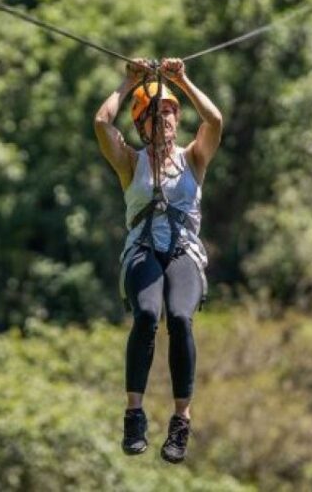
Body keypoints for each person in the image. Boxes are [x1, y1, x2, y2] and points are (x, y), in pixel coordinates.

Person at [93, 57, 223, 463]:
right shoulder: (130, 162)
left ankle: (181, 421)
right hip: (143, 252)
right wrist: (129, 82)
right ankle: (134, 413)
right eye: (154, 115)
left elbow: (214, 120)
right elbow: (101, 123)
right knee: (148, 314)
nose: (164, 121)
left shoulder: (193, 158)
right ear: (140, 124)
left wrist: (181, 81)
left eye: (169, 113)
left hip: (184, 252)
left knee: (180, 318)